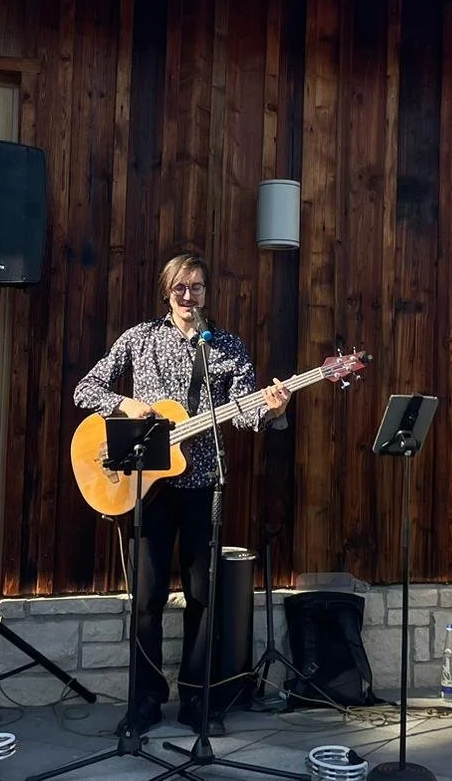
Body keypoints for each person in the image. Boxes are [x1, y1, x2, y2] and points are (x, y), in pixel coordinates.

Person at [73, 251, 290, 736]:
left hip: (202, 487)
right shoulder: (140, 339)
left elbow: (246, 415)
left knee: (203, 598)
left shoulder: (228, 347)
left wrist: (274, 409)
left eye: (197, 287)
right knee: (146, 600)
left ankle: (198, 700)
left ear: (208, 292)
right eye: (180, 288)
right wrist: (129, 403)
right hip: (146, 489)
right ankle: (145, 700)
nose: (189, 296)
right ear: (166, 292)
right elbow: (86, 390)